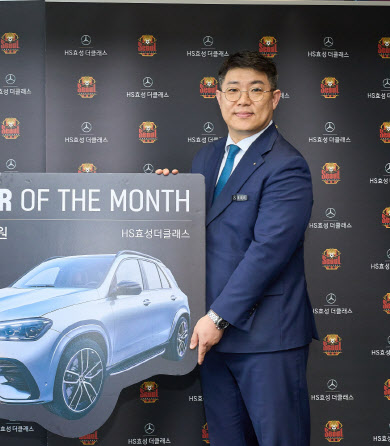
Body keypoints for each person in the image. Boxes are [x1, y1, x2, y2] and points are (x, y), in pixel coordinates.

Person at [157, 51, 317, 446]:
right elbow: (199, 233)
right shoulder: (206, 157)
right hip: (212, 338)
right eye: (233, 90)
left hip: (267, 339)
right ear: (218, 97)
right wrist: (167, 198)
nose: (243, 100)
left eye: (255, 90)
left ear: (274, 98)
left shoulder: (287, 165)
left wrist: (218, 318)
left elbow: (268, 252)